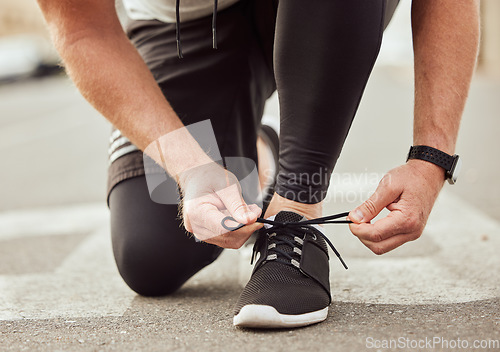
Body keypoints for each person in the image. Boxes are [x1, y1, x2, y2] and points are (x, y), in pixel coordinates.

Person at [36, 0, 480, 328]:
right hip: (185, 27)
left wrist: (430, 158)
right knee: (151, 254)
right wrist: (192, 167)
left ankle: (295, 214)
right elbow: (80, 29)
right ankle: (262, 148)